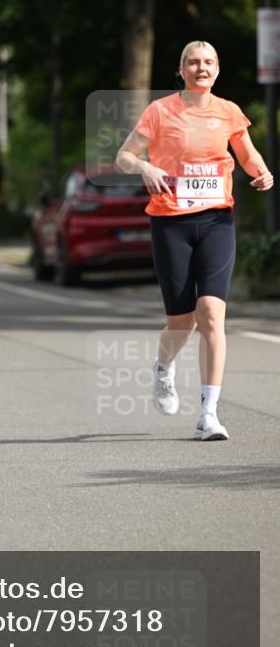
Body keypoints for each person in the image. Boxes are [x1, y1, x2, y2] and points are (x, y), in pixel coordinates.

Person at [116, 40, 274, 441]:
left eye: (207, 62)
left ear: (217, 70)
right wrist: (145, 167)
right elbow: (124, 157)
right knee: (181, 322)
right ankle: (163, 369)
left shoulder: (229, 111)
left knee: (212, 315)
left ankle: (209, 414)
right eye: (193, 62)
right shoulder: (160, 110)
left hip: (217, 220)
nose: (201, 68)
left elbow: (248, 155)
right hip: (171, 223)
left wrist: (262, 173)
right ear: (181, 69)